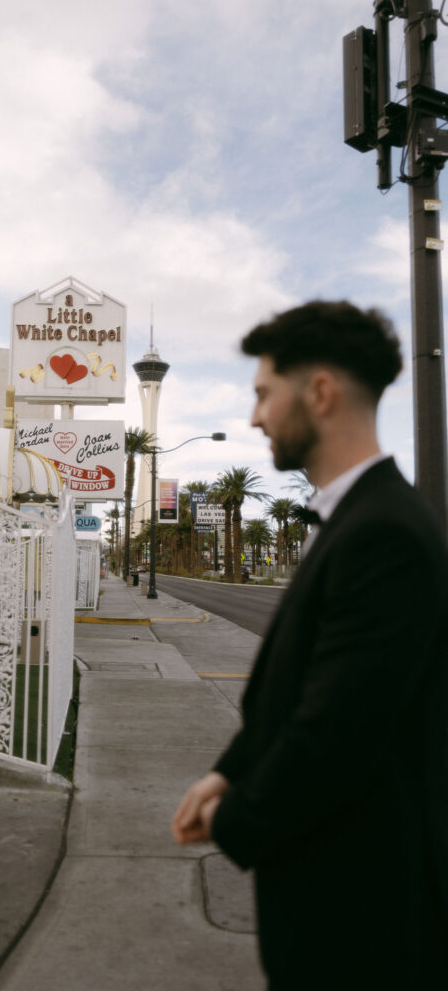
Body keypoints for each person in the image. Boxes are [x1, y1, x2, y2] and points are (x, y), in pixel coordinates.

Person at [172, 300, 448, 990]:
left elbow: (338, 729)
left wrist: (237, 817)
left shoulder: (385, 534)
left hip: (363, 916)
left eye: (264, 393)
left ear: (319, 391)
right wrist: (228, 771)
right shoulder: (358, 519)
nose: (254, 417)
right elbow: (302, 687)